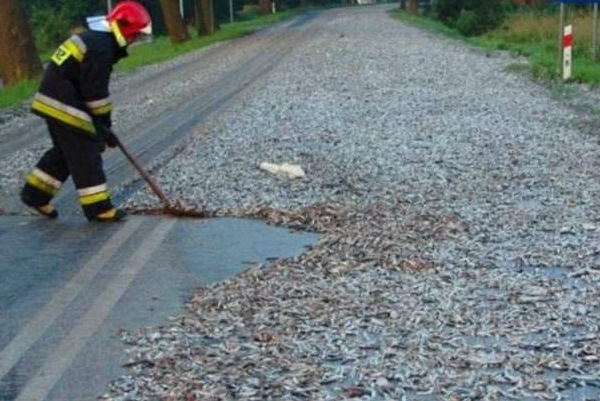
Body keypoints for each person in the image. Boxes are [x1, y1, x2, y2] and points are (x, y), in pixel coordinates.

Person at [20, 1, 152, 222]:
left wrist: (102, 127)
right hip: (63, 101)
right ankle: (98, 208)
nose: (134, 40)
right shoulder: (101, 48)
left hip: (53, 98)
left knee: (64, 151)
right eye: (135, 35)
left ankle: (35, 195)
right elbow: (95, 94)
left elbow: (86, 87)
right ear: (124, 29)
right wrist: (103, 125)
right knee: (87, 150)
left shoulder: (98, 39)